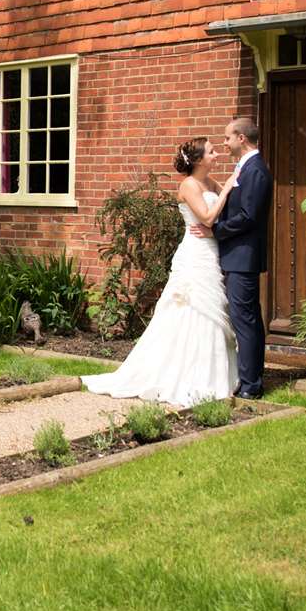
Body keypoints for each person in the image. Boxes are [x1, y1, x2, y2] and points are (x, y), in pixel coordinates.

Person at [82, 137, 238, 407]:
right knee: (192, 308)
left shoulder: (210, 182)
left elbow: (224, 207)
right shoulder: (189, 185)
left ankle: (214, 376)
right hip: (195, 254)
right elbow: (209, 217)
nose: (217, 155)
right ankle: (182, 376)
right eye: (212, 152)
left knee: (212, 309)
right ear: (199, 159)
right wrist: (225, 193)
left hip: (211, 252)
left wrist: (230, 187)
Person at [190, 117, 271, 399]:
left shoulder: (256, 171)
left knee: (244, 319)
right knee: (246, 318)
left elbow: (248, 216)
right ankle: (250, 378)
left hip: (243, 257)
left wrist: (216, 230)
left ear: (241, 139)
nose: (224, 143)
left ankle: (251, 385)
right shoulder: (243, 168)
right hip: (235, 256)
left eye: (227, 138)